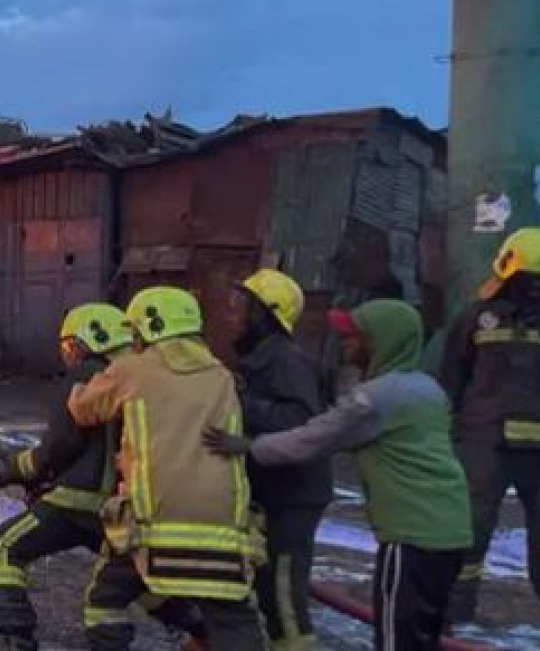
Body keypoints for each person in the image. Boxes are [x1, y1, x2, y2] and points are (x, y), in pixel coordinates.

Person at [205, 300, 472, 650]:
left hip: (412, 534)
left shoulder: (373, 400)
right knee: (423, 635)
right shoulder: (428, 389)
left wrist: (249, 447)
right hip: (451, 526)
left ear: (380, 342)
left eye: (354, 337)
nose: (345, 344)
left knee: (397, 639)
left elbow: (311, 439)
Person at [0, 303, 200, 650]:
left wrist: (12, 469)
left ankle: (15, 639)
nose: (69, 356)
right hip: (129, 509)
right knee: (137, 581)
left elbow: (61, 443)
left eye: (69, 346)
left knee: (0, 549)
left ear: (88, 341)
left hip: (79, 503)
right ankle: (200, 629)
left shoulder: (90, 375)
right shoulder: (147, 377)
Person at [68, 286, 267, 651]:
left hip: (153, 528)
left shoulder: (133, 369)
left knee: (105, 601)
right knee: (233, 618)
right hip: (225, 534)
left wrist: (80, 377)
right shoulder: (221, 375)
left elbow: (83, 409)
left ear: (148, 328)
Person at [438, 227, 540, 623]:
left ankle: (453, 612)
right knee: (468, 531)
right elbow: (452, 377)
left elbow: (452, 378)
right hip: (484, 443)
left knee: (469, 528)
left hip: (484, 441)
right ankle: (454, 612)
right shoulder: (476, 319)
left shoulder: (478, 316)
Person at [231, 269, 332, 650]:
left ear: (264, 314)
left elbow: (301, 422)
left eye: (240, 308)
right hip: (275, 494)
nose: (231, 316)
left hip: (293, 497)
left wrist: (242, 406)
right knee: (268, 590)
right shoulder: (262, 357)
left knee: (285, 596)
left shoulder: (286, 360)